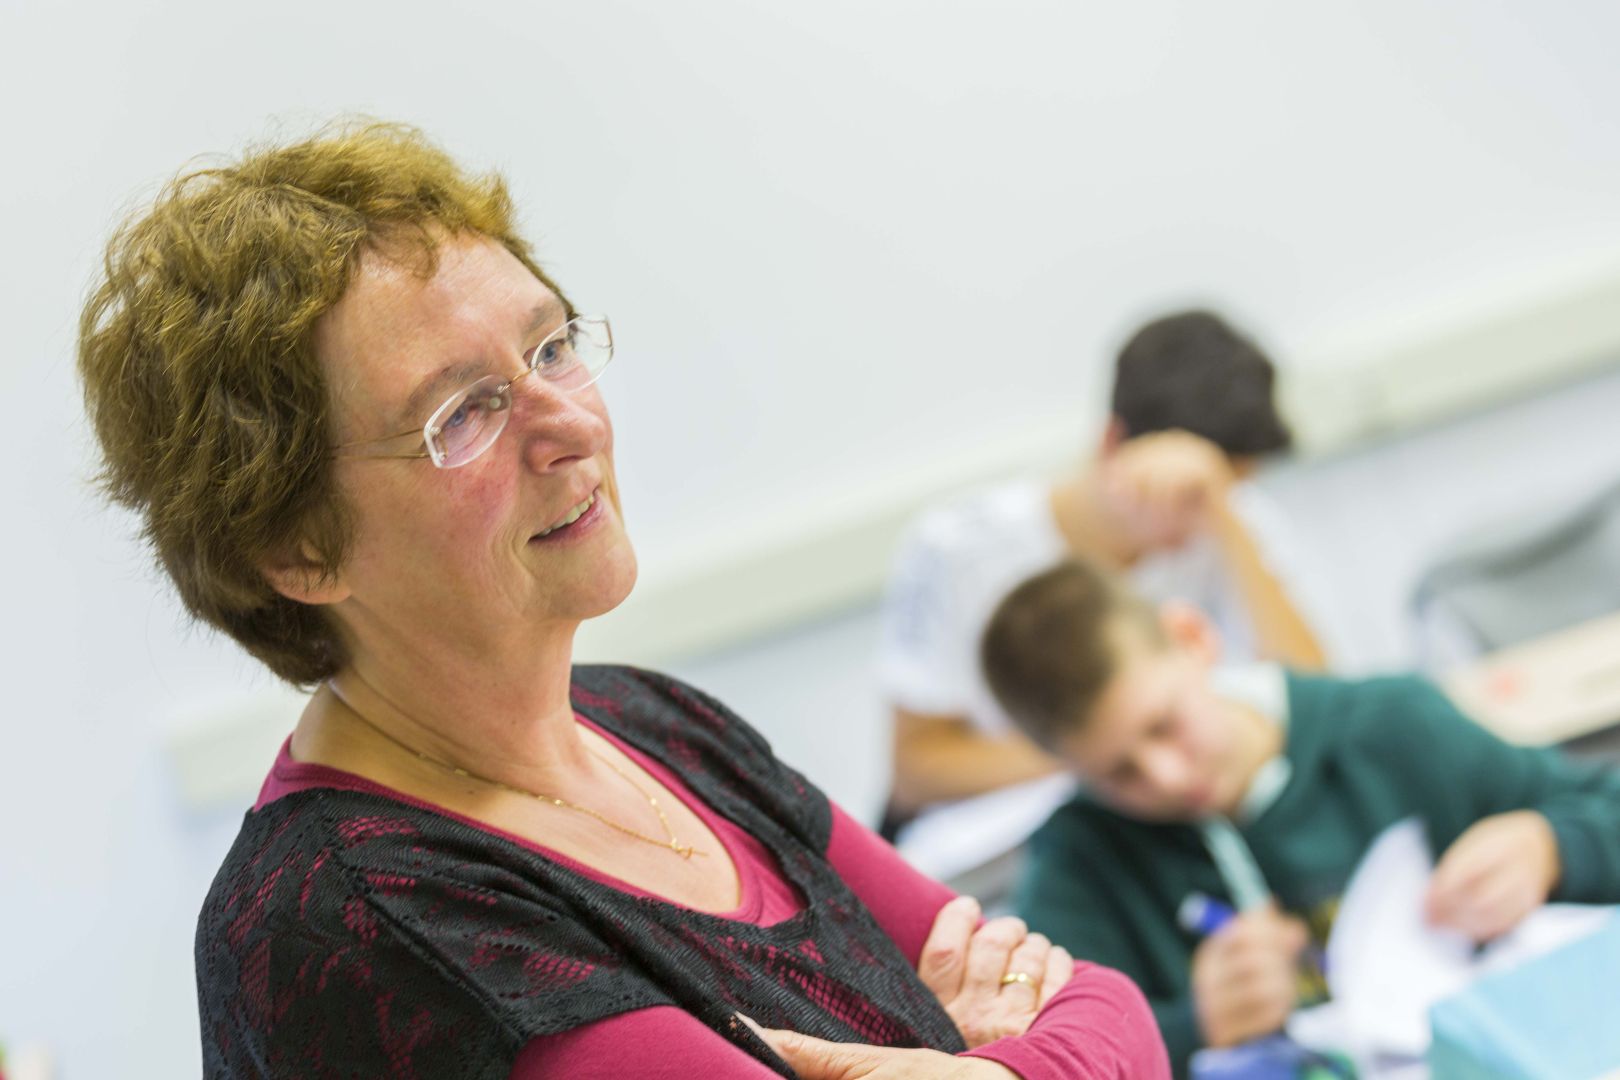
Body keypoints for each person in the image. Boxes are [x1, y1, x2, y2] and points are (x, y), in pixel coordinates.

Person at [76, 121, 1169, 1079]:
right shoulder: (361, 916)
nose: (572, 425)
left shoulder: (652, 721)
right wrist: (997, 1050)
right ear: (298, 548)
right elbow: (1086, 1030)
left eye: (551, 346)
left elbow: (1106, 1002)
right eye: (463, 413)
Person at [979, 557, 1620, 1076]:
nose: (1166, 776)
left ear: (1193, 639)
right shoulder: (1081, 859)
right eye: (1118, 773)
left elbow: (1605, 807)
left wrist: (1553, 847)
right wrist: (1193, 1026)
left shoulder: (1392, 728)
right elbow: (1041, 1051)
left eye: (1164, 725)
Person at [876, 311, 1327, 870]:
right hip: (1016, 847)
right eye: (1182, 495)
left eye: (1218, 490)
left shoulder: (1230, 519)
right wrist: (1112, 754)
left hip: (1182, 831)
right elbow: (917, 770)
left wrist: (1226, 518)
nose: (1195, 524)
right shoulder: (959, 548)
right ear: (1114, 444)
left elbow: (1315, 705)